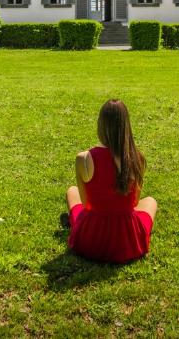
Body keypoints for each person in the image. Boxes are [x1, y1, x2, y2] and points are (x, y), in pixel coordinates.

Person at [65, 99, 157, 263]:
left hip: (89, 240)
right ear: (126, 126)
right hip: (127, 242)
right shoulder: (137, 158)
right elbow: (134, 203)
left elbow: (86, 205)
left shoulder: (83, 158)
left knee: (72, 192)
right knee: (150, 201)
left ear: (100, 124)